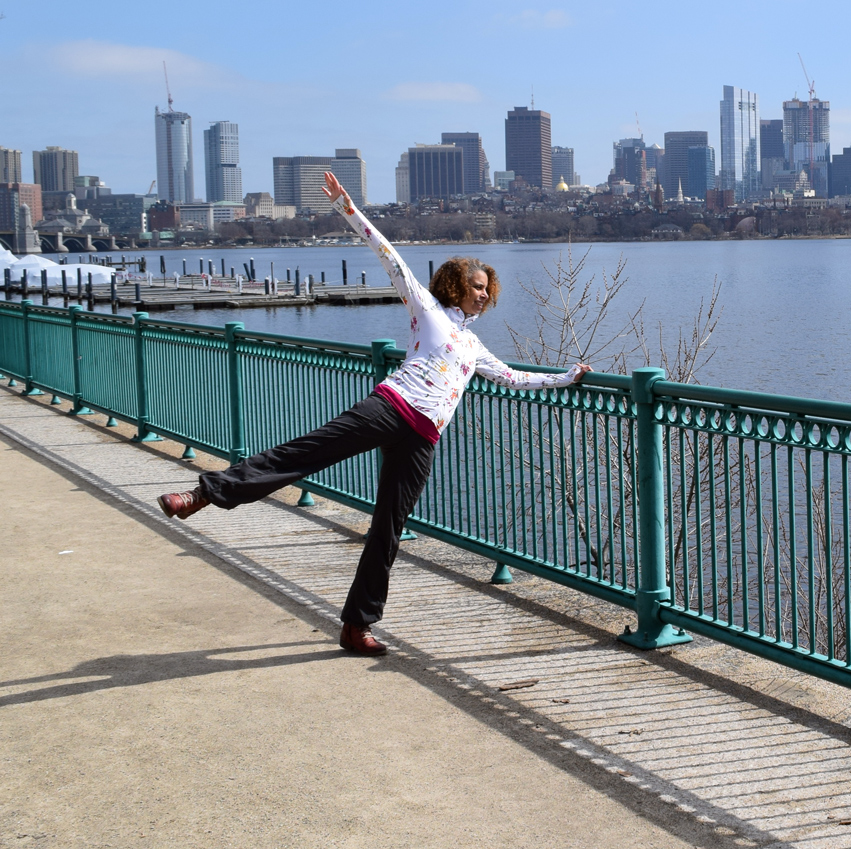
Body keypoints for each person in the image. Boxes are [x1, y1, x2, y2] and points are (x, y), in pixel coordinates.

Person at [157, 171, 591, 655]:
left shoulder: (472, 344)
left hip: (423, 438)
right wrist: (348, 207)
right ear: (454, 286)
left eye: (488, 288)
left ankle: (355, 625)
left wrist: (565, 378)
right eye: (476, 285)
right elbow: (389, 254)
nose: (484, 293)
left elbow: (511, 377)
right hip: (390, 407)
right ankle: (203, 494)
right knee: (306, 454)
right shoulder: (428, 310)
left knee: (389, 527)